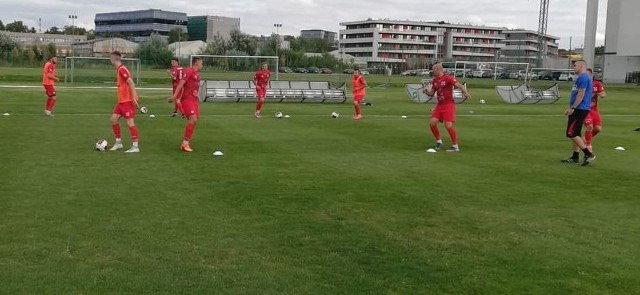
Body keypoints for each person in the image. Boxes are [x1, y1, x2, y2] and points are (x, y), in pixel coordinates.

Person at [423, 63, 471, 152]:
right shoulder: (435, 80)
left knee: (448, 125)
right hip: (440, 105)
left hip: (449, 104)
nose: (432, 71)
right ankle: (439, 141)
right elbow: (432, 93)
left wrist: (465, 92)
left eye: (433, 70)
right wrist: (426, 91)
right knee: (432, 123)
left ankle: (455, 146)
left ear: (438, 70)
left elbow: (459, 85)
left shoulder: (448, 78)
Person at [562, 60, 595, 165]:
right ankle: (575, 156)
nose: (573, 67)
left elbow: (581, 94)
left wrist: (573, 108)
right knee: (576, 133)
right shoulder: (582, 77)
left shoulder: (583, 77)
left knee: (571, 133)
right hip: (580, 108)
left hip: (580, 109)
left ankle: (589, 154)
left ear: (581, 66)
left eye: (575, 65)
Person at [108, 51, 141, 153]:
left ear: (114, 59)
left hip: (127, 101)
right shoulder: (119, 70)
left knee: (130, 122)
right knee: (113, 119)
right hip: (121, 102)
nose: (110, 61)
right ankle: (118, 143)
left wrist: (134, 98)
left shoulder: (122, 69)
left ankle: (135, 146)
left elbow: (131, 82)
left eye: (110, 59)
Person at [170, 56, 203, 152]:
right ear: (196, 63)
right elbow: (180, 84)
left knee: (195, 120)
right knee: (193, 118)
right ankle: (185, 144)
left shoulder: (197, 74)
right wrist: (175, 96)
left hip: (194, 100)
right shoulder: (189, 71)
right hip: (187, 99)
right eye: (201, 63)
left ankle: (185, 143)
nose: (202, 65)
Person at [584, 68, 606, 151]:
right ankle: (588, 146)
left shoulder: (597, 84)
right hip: (585, 110)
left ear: (591, 75)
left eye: (588, 75)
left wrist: (602, 95)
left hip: (594, 110)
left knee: (598, 129)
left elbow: (603, 93)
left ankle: (584, 139)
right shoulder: (582, 84)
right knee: (589, 126)